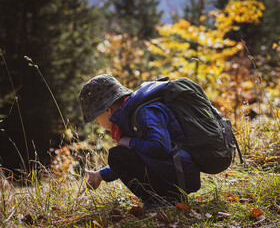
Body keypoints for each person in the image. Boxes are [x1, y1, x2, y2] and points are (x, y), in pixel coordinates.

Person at [79, 74, 200, 209]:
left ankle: (162, 202)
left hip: (182, 175)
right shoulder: (128, 118)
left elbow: (161, 146)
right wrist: (100, 175)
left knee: (118, 155)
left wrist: (130, 142)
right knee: (120, 155)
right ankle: (163, 199)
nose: (97, 123)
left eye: (96, 118)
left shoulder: (144, 112)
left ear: (107, 110)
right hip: (177, 171)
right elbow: (137, 160)